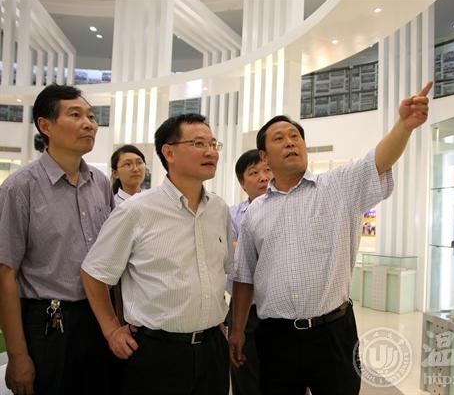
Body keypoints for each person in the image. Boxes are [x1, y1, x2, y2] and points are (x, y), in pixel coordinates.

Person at [229, 81, 432, 395]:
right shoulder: (255, 212)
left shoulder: (337, 187)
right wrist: (238, 329)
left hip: (333, 332)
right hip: (276, 337)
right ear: (264, 156)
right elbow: (244, 277)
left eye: (295, 136)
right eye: (279, 139)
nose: (290, 142)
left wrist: (404, 126)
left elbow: (377, 161)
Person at [80, 113, 233, 395]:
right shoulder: (136, 210)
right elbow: (94, 273)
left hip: (212, 349)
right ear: (169, 152)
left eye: (213, 144)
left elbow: (220, 270)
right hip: (157, 352)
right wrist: (111, 330)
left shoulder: (219, 209)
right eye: (199, 143)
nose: (211, 151)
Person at [0, 84, 116, 395]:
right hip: (49, 323)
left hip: (100, 318)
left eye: (91, 116)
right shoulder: (20, 188)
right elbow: (5, 273)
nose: (89, 124)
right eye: (75, 115)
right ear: (45, 125)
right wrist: (17, 356)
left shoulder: (100, 183)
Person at [228, 149, 272, 395]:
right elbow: (232, 256)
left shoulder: (288, 209)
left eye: (267, 170)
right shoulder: (232, 215)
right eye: (254, 173)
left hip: (280, 312)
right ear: (242, 183)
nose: (263, 177)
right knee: (246, 378)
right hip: (244, 311)